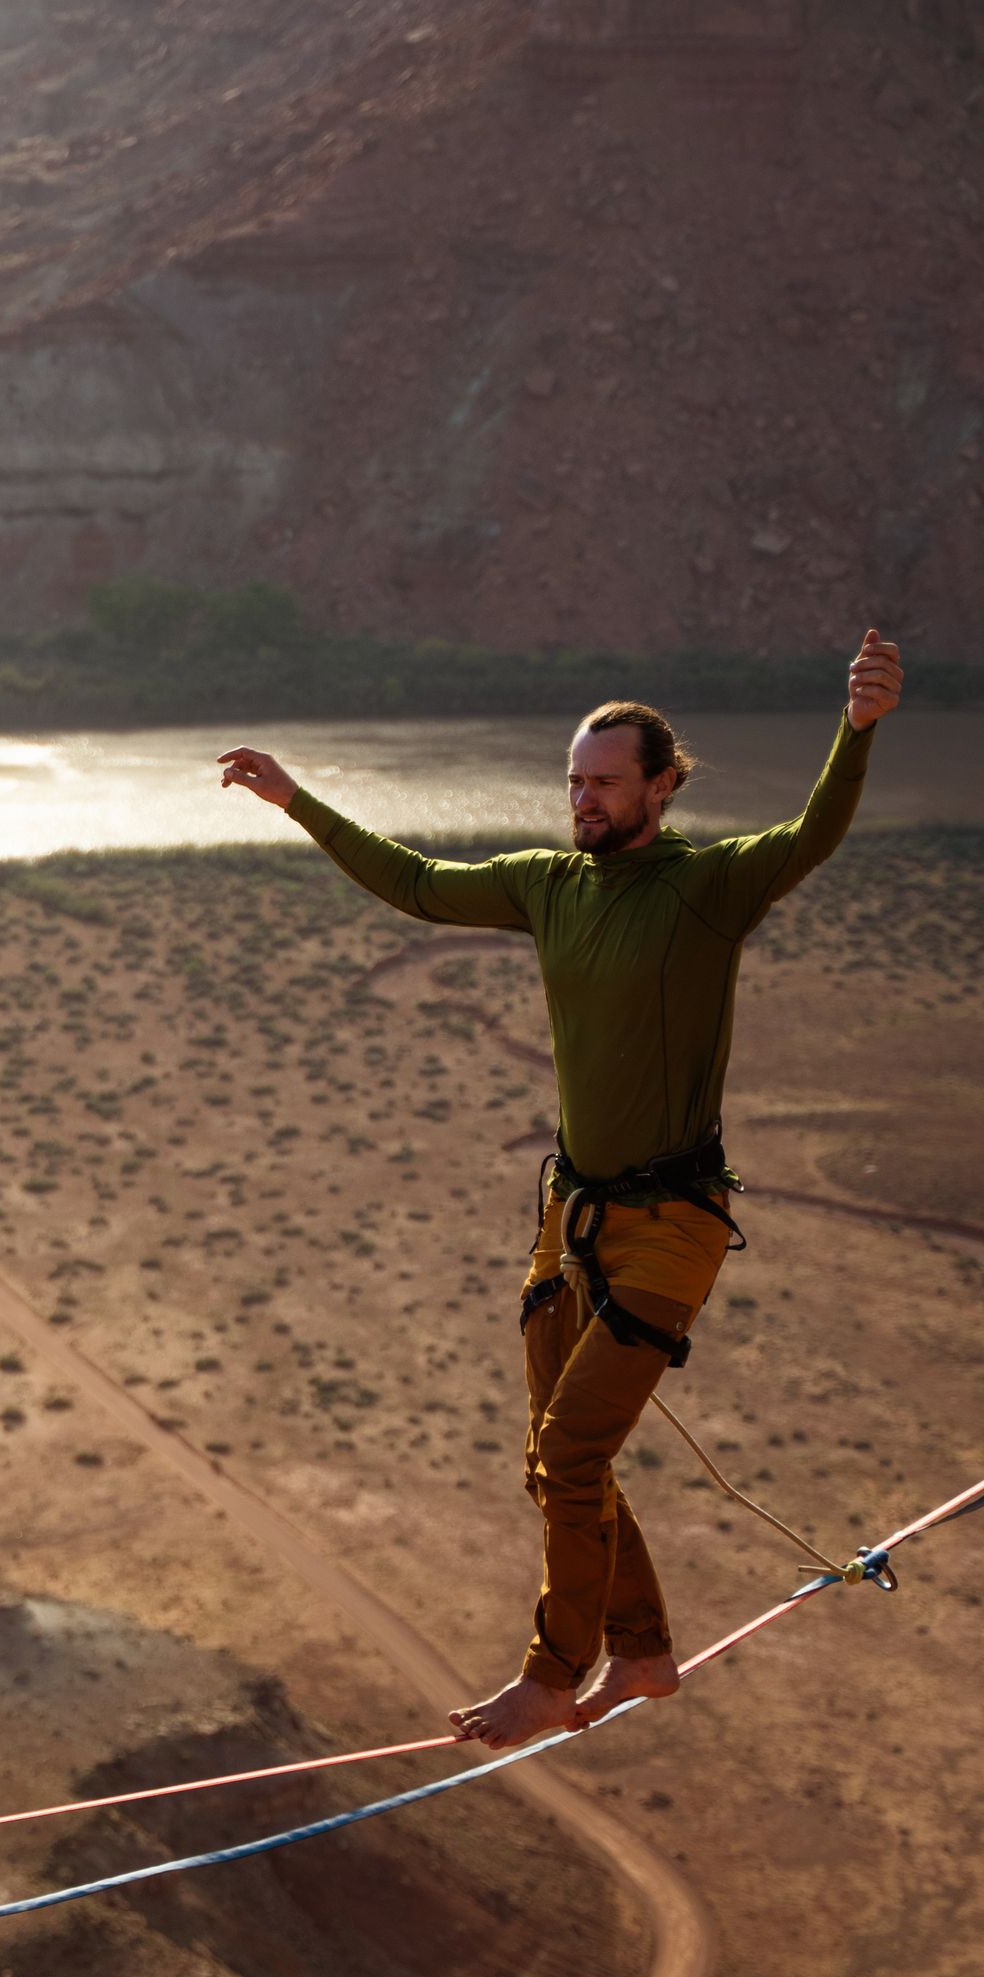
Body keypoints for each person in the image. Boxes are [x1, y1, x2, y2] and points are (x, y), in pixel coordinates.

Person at [216, 630, 903, 1746]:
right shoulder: (546, 886)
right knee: (553, 1464)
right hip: (568, 1216)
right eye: (571, 781)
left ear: (661, 785)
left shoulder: (706, 889)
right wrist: (297, 798)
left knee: (570, 1456)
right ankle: (639, 1653)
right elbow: (419, 883)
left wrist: (855, 733)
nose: (580, 799)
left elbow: (812, 832)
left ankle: (552, 1672)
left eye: (602, 782)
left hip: (668, 1225)